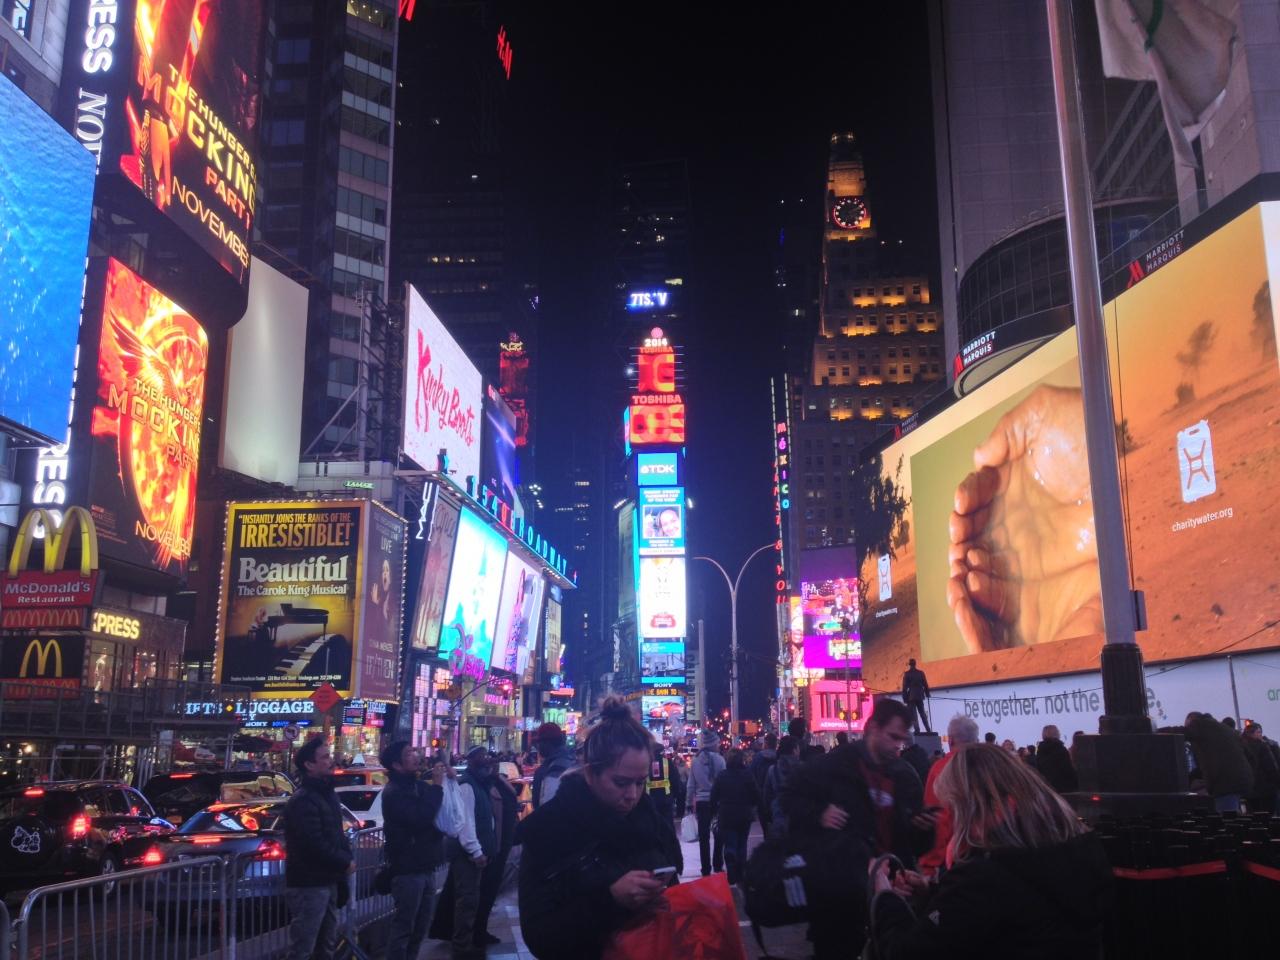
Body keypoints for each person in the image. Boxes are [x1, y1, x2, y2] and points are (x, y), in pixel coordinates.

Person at [868, 745, 1113, 958]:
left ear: (974, 806)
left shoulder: (984, 876)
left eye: (954, 808)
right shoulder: (1078, 850)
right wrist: (934, 893)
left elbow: (909, 952)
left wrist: (885, 898)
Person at [518, 697, 682, 959]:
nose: (632, 795)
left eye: (640, 782)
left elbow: (673, 884)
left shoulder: (650, 819)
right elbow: (539, 936)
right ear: (590, 773)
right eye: (621, 783)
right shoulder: (550, 828)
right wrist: (610, 899)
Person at [782, 699, 933, 959]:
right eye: (892, 737)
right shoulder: (835, 765)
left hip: (890, 894)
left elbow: (915, 844)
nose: (897, 745)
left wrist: (924, 829)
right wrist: (818, 813)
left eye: (901, 739)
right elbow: (789, 797)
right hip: (840, 898)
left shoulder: (904, 774)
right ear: (873, 727)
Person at [283, 736, 353, 960]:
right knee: (304, 947)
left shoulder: (326, 795)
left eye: (329, 756)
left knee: (326, 944)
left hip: (326, 880)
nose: (330, 761)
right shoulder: (304, 800)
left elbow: (335, 835)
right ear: (309, 765)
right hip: (309, 884)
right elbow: (313, 842)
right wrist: (343, 861)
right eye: (325, 757)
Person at [379, 740, 446, 960]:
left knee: (420, 926)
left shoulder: (417, 786)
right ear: (396, 764)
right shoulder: (394, 792)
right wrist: (437, 787)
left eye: (415, 751)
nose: (416, 755)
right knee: (404, 926)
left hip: (425, 865)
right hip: (407, 868)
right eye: (409, 753)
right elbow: (420, 817)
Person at [435, 747, 494, 960]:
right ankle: (461, 948)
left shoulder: (477, 783)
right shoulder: (468, 785)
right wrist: (475, 850)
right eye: (481, 757)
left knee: (469, 899)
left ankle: (464, 943)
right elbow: (465, 822)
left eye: (487, 757)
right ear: (471, 761)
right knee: (467, 901)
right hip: (467, 854)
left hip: (473, 851)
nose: (486, 761)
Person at [918, 715, 980, 877]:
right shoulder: (990, 767)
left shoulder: (941, 770)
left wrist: (930, 866)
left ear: (950, 740)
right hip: (989, 853)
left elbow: (938, 820)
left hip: (955, 860)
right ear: (976, 740)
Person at [470, 750, 518, 950]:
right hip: (489, 847)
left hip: (501, 844)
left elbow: (512, 798)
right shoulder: (479, 786)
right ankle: (474, 934)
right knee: (482, 891)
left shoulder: (498, 782)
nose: (492, 762)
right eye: (487, 760)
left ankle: (480, 930)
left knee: (490, 890)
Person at [1182, 712, 1254, 813]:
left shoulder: (1202, 726)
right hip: (1240, 780)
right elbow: (1250, 755)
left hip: (1225, 783)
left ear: (1193, 722)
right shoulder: (1224, 730)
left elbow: (1182, 731)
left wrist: (1159, 732)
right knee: (1234, 812)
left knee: (1227, 817)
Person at [709, 749, 759, 885]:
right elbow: (755, 794)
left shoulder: (722, 776)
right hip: (744, 813)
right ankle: (740, 872)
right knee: (742, 843)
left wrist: (713, 811)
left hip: (726, 814)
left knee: (730, 842)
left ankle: (731, 863)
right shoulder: (747, 775)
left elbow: (714, 796)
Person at [688, 732, 727, 876]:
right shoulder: (720, 760)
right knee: (718, 834)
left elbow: (691, 784)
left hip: (702, 802)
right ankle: (718, 864)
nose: (719, 746)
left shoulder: (695, 761)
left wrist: (688, 802)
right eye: (717, 743)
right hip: (717, 802)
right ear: (713, 744)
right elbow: (723, 782)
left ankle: (705, 868)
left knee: (703, 837)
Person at [763, 735, 801, 837]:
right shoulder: (803, 768)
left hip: (779, 815)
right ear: (794, 750)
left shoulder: (773, 769)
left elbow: (767, 795)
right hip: (800, 816)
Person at [530, 722, 574, 810]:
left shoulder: (554, 769)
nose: (538, 747)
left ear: (547, 743)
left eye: (539, 742)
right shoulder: (572, 762)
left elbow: (547, 808)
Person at [1242, 722, 1280, 813]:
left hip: (1250, 789)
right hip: (1266, 788)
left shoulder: (1241, 746)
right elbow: (1270, 766)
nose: (1260, 734)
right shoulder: (1263, 746)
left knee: (1254, 814)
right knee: (1269, 813)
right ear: (1251, 733)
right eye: (1258, 732)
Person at [1035, 725, 1078, 795]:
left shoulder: (1040, 751)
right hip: (1064, 788)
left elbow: (1039, 769)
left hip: (1048, 788)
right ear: (1056, 733)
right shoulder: (1060, 749)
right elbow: (1067, 769)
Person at [748, 733, 778, 834]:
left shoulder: (758, 758)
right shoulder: (779, 756)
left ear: (766, 743)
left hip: (761, 796)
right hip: (776, 795)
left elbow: (751, 776)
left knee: (766, 828)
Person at [902, 659, 932, 733]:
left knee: (914, 715)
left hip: (911, 696)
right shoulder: (920, 673)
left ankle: (917, 730)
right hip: (920, 695)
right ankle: (928, 729)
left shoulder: (907, 674)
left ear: (909, 664)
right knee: (922, 713)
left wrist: (905, 698)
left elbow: (904, 687)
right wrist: (927, 693)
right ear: (915, 664)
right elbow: (925, 684)